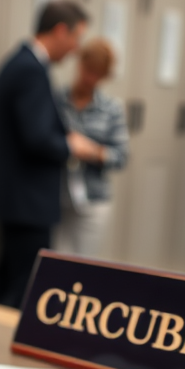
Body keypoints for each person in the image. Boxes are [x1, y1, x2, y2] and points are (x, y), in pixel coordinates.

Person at [0, 0, 102, 308]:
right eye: (76, 38)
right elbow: (35, 138)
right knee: (26, 286)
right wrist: (73, 146)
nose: (76, 48)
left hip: (18, 196)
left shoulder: (21, 63)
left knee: (6, 277)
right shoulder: (29, 69)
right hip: (27, 199)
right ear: (61, 31)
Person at [54, 38, 130, 258]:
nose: (90, 79)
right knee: (55, 266)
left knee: (82, 266)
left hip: (93, 199)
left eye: (97, 74)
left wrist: (93, 151)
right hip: (58, 196)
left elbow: (121, 156)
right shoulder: (57, 100)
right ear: (80, 65)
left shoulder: (111, 109)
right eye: (88, 70)